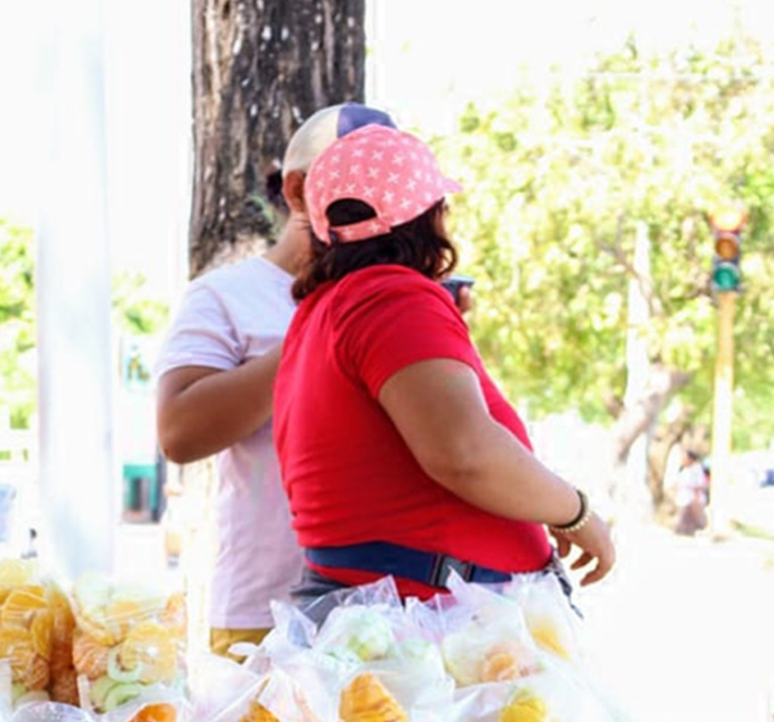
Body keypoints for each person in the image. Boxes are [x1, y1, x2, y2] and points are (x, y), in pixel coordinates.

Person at [272, 125, 615, 606]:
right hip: (426, 628)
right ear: (427, 215)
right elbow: (465, 454)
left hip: (388, 617)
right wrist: (577, 513)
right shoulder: (392, 299)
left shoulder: (325, 309)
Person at [155, 102, 404, 659]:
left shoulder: (396, 300)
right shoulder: (223, 296)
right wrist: (318, 338)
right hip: (263, 612)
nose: (380, 208)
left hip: (387, 608)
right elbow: (179, 432)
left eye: (391, 190)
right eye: (355, 189)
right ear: (296, 192)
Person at [673, 450, 709, 536]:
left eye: (685, 458)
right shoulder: (684, 469)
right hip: (684, 497)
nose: (682, 460)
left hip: (691, 499)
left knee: (688, 518)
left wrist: (696, 499)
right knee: (685, 519)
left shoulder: (696, 470)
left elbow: (699, 485)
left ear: (690, 459)